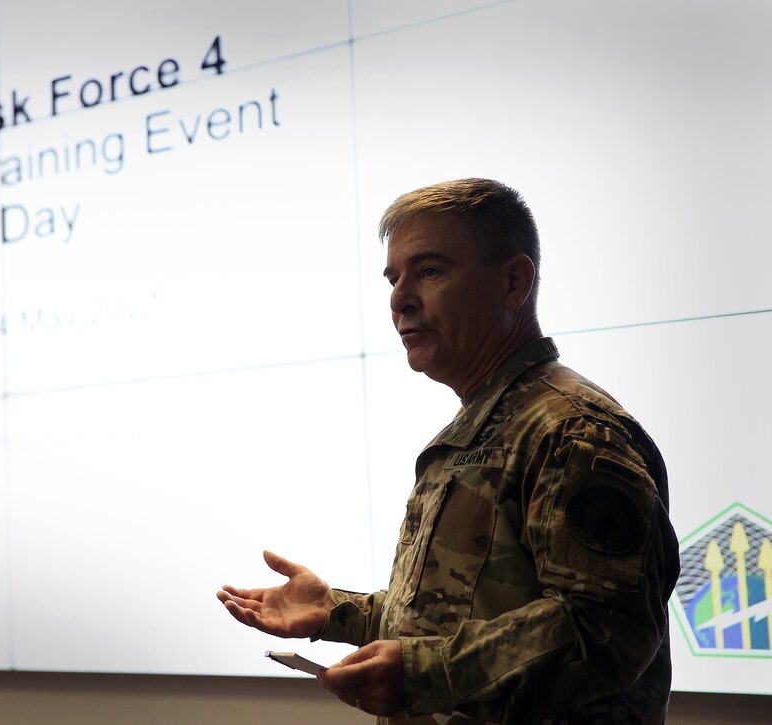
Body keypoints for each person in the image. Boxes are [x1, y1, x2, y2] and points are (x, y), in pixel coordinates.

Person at [216, 179, 680, 724]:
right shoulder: (481, 425)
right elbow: (451, 619)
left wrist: (426, 674)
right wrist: (334, 613)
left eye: (430, 271)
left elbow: (607, 631)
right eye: (393, 277)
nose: (399, 297)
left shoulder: (572, 432)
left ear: (513, 281)